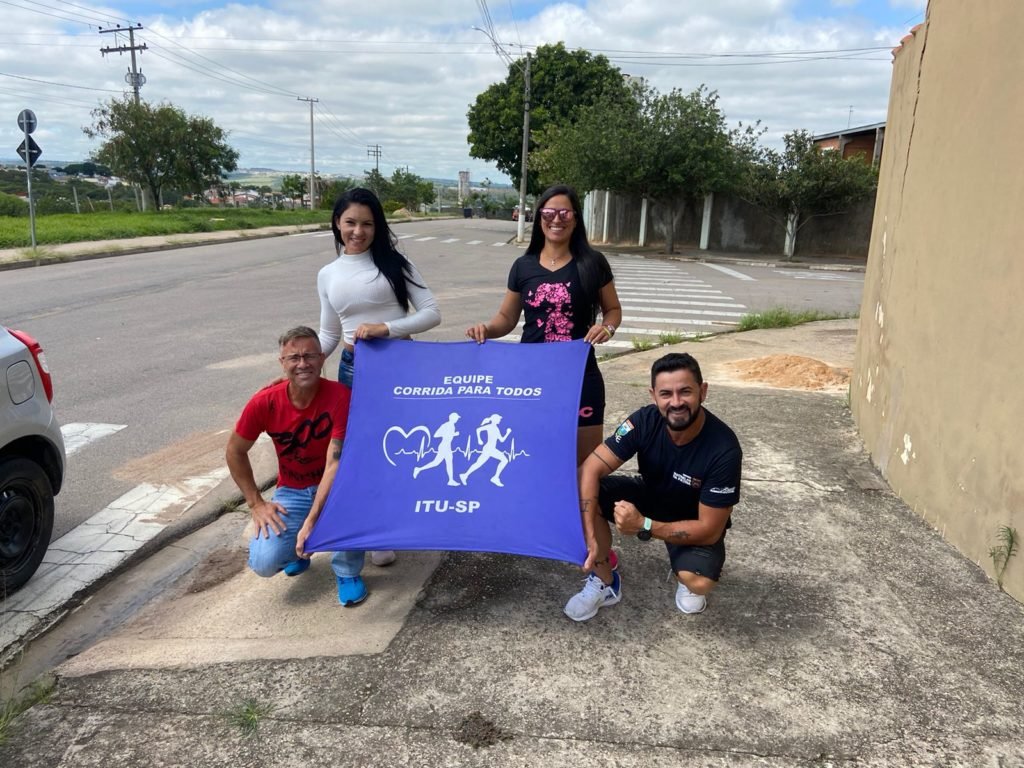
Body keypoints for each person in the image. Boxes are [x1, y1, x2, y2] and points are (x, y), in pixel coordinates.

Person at [564, 352, 742, 622]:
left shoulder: (724, 449)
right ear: (653, 395)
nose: (676, 402)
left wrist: (645, 525)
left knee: (699, 581)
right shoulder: (643, 421)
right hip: (651, 495)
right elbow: (590, 468)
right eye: (666, 394)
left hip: (692, 516)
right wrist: (589, 533)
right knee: (579, 489)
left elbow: (710, 529)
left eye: (685, 392)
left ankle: (681, 559)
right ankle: (605, 580)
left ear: (703, 392)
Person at [317, 187, 441, 568]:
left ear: (377, 226)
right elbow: (331, 334)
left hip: (401, 367)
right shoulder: (327, 274)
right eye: (351, 222)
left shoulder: (395, 264)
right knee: (361, 452)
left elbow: (432, 313)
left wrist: (386, 327)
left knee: (401, 450)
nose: (358, 231)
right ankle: (373, 530)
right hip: (354, 370)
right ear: (337, 223)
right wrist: (301, 366)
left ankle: (395, 524)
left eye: (367, 224)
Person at [465, 184, 623, 467]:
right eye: (549, 212)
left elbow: (613, 310)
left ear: (576, 219)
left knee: (585, 467)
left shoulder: (592, 263)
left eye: (565, 212)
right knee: (533, 459)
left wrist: (607, 328)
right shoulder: (523, 266)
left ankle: (582, 512)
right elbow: (507, 318)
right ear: (539, 219)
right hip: (532, 378)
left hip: (580, 376)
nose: (556, 219)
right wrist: (486, 330)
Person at [225, 326, 368, 607]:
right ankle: (296, 552)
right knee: (264, 562)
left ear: (322, 358)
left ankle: (347, 571)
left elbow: (334, 463)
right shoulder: (265, 402)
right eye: (294, 358)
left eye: (309, 356)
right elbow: (234, 451)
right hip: (292, 490)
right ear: (282, 363)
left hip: (336, 485)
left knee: (353, 497)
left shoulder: (340, 396)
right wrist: (256, 504)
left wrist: (312, 521)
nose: (302, 363)